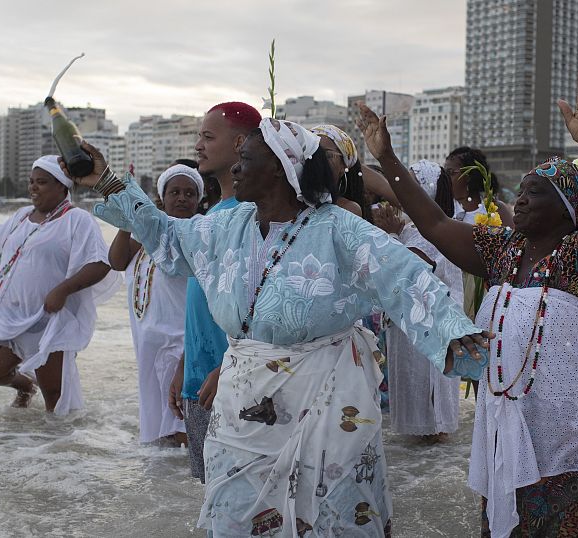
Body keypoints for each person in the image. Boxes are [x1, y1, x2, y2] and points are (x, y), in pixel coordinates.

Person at [74, 116, 488, 536]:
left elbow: (404, 277)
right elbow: (164, 233)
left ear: (279, 168)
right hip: (242, 405)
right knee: (237, 514)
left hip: (328, 398)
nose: (235, 168)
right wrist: (106, 180)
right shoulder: (224, 226)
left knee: (332, 516)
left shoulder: (338, 227)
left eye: (245, 158)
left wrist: (460, 338)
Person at [359, 68, 578, 537]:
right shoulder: (504, 250)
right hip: (512, 435)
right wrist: (386, 156)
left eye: (536, 192)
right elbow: (435, 224)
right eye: (521, 191)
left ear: (569, 209)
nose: (520, 200)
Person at [0, 156, 119, 414]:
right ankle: (26, 387)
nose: (33, 187)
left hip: (48, 321)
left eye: (41, 182)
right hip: (9, 316)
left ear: (62, 186)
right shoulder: (21, 216)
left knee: (55, 397)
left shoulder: (77, 220)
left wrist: (63, 289)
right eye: (31, 182)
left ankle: (55, 451)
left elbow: (100, 262)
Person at [170, 101, 262, 483]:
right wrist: (183, 366)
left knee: (242, 500)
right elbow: (204, 305)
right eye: (198, 137)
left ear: (240, 142)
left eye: (208, 136)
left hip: (231, 380)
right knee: (211, 499)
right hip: (199, 380)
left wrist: (225, 368)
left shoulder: (253, 215)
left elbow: (259, 308)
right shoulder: (213, 213)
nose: (198, 145)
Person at [109, 164, 203, 444]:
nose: (182, 198)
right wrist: (127, 223)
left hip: (181, 345)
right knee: (158, 435)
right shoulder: (148, 235)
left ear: (199, 200)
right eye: (175, 192)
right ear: (161, 199)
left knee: (180, 430)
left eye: (190, 193)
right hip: (149, 345)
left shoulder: (196, 234)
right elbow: (116, 261)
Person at [373, 160, 463, 441]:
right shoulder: (412, 227)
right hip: (408, 323)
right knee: (413, 389)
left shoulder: (437, 227)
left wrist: (396, 234)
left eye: (412, 182)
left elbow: (417, 268)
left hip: (431, 323)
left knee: (430, 395)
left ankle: (434, 439)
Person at [311, 124, 371, 221]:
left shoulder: (348, 210)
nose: (318, 160)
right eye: (312, 152)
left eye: (328, 155)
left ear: (343, 167)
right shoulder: (290, 201)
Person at [443, 147, 513, 227]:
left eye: (450, 173)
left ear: (469, 176)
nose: (445, 178)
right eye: (444, 173)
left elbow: (513, 238)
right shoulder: (443, 208)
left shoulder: (495, 208)